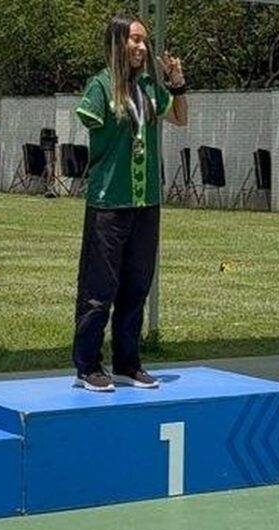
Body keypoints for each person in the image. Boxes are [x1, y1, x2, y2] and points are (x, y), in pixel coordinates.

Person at [71, 15, 189, 392]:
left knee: (137, 285)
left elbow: (180, 119)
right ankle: (88, 364)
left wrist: (177, 83)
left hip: (146, 201)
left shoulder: (151, 88)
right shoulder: (100, 87)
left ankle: (128, 361)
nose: (141, 47)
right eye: (134, 40)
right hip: (109, 200)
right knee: (99, 288)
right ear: (117, 43)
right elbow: (91, 123)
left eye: (144, 41)